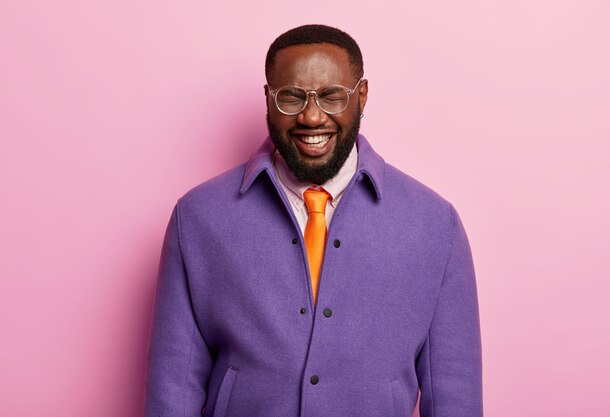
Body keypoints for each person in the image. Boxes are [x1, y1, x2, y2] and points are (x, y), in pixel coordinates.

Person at [144, 24, 483, 417]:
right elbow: (173, 388)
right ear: (268, 100)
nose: (310, 116)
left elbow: (456, 395)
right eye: (290, 97)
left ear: (362, 96)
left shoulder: (435, 225)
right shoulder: (199, 218)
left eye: (331, 96)